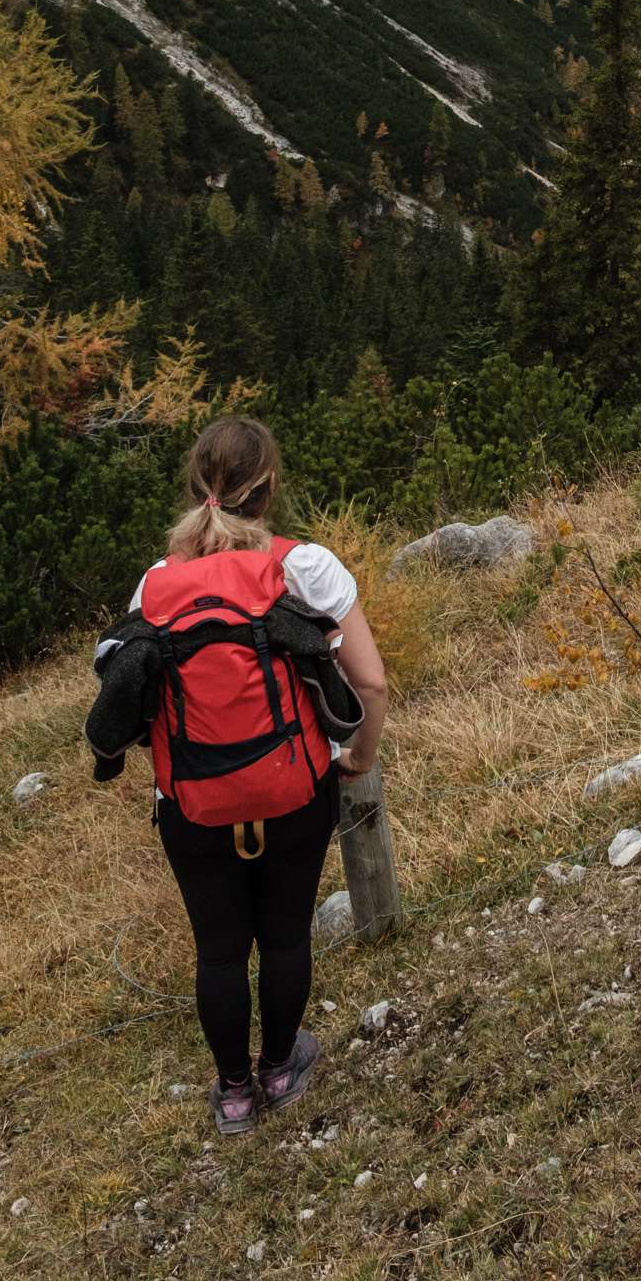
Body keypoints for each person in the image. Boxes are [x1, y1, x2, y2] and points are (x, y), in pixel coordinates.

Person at [115, 417, 388, 1135]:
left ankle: (234, 1094)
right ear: (269, 491)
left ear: (196, 489)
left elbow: (140, 700)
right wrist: (356, 760)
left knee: (220, 948)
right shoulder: (307, 567)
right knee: (287, 935)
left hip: (195, 806)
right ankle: (280, 1066)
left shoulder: (156, 586)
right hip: (295, 788)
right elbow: (373, 685)